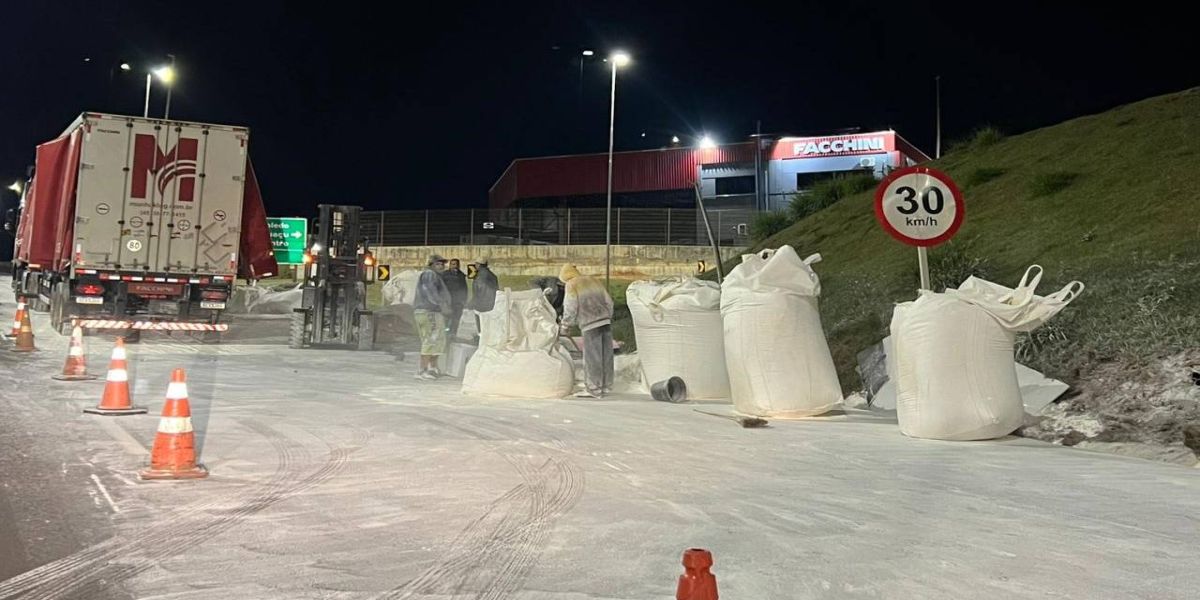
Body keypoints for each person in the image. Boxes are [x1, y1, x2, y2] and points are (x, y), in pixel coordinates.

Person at [558, 264, 614, 397]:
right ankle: (606, 386)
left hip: (590, 323)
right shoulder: (593, 280)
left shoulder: (572, 284)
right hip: (605, 321)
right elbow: (609, 301)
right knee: (606, 356)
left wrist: (565, 325)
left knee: (592, 357)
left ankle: (593, 389)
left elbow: (571, 306)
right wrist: (607, 316)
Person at [413, 254, 453, 380]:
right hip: (428, 311)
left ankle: (432, 368)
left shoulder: (435, 276)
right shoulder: (429, 274)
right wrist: (442, 305)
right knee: (430, 340)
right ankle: (422, 370)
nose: (441, 266)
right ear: (431, 265)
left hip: (433, 311)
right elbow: (430, 292)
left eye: (442, 264)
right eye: (437, 264)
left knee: (438, 340)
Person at [467, 257, 499, 337]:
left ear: (478, 265)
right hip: (492, 303)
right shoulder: (492, 275)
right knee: (489, 324)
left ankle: (481, 339)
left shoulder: (479, 276)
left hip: (481, 304)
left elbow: (479, 292)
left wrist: (472, 303)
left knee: (481, 324)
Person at [442, 258, 468, 340]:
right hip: (448, 302)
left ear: (458, 265)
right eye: (452, 264)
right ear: (450, 265)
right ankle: (445, 335)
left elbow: (464, 288)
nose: (454, 266)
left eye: (456, 264)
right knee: (446, 320)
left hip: (458, 302)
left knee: (456, 320)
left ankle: (453, 335)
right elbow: (441, 288)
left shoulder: (461, 275)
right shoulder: (445, 275)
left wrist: (464, 300)